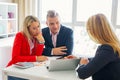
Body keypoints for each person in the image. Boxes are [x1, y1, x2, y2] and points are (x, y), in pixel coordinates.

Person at [67, 14, 120, 80]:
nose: (89, 33)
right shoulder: (112, 46)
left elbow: (83, 74)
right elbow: (98, 60)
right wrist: (79, 59)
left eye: (89, 29)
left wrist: (81, 64)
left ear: (96, 31)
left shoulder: (108, 49)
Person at [7, 15, 48, 80]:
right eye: (34, 28)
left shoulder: (37, 36)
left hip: (27, 68)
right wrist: (36, 58)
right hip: (14, 70)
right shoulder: (20, 36)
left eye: (38, 27)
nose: (37, 30)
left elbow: (38, 56)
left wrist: (41, 42)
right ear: (27, 29)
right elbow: (15, 58)